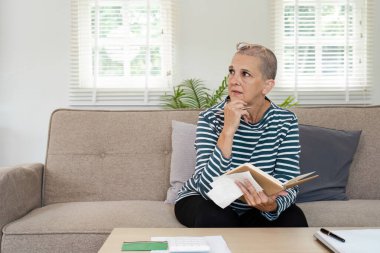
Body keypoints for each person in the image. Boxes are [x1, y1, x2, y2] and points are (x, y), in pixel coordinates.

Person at [174, 42, 308, 227]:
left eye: (245, 74)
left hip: (254, 207)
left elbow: (288, 181)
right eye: (232, 71)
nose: (234, 80)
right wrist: (228, 130)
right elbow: (207, 188)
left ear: (267, 86)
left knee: (294, 217)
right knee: (216, 217)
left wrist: (272, 206)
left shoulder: (285, 120)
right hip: (204, 200)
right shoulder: (210, 117)